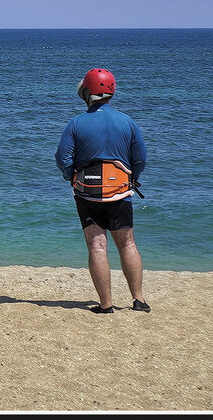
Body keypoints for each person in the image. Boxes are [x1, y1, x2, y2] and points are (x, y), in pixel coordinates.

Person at [55, 67, 150, 314]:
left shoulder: (76, 123)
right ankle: (138, 300)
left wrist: (71, 177)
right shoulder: (127, 121)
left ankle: (106, 305)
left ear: (87, 92)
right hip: (120, 191)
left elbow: (62, 159)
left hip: (88, 194)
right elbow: (139, 159)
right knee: (127, 244)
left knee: (97, 246)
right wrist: (132, 179)